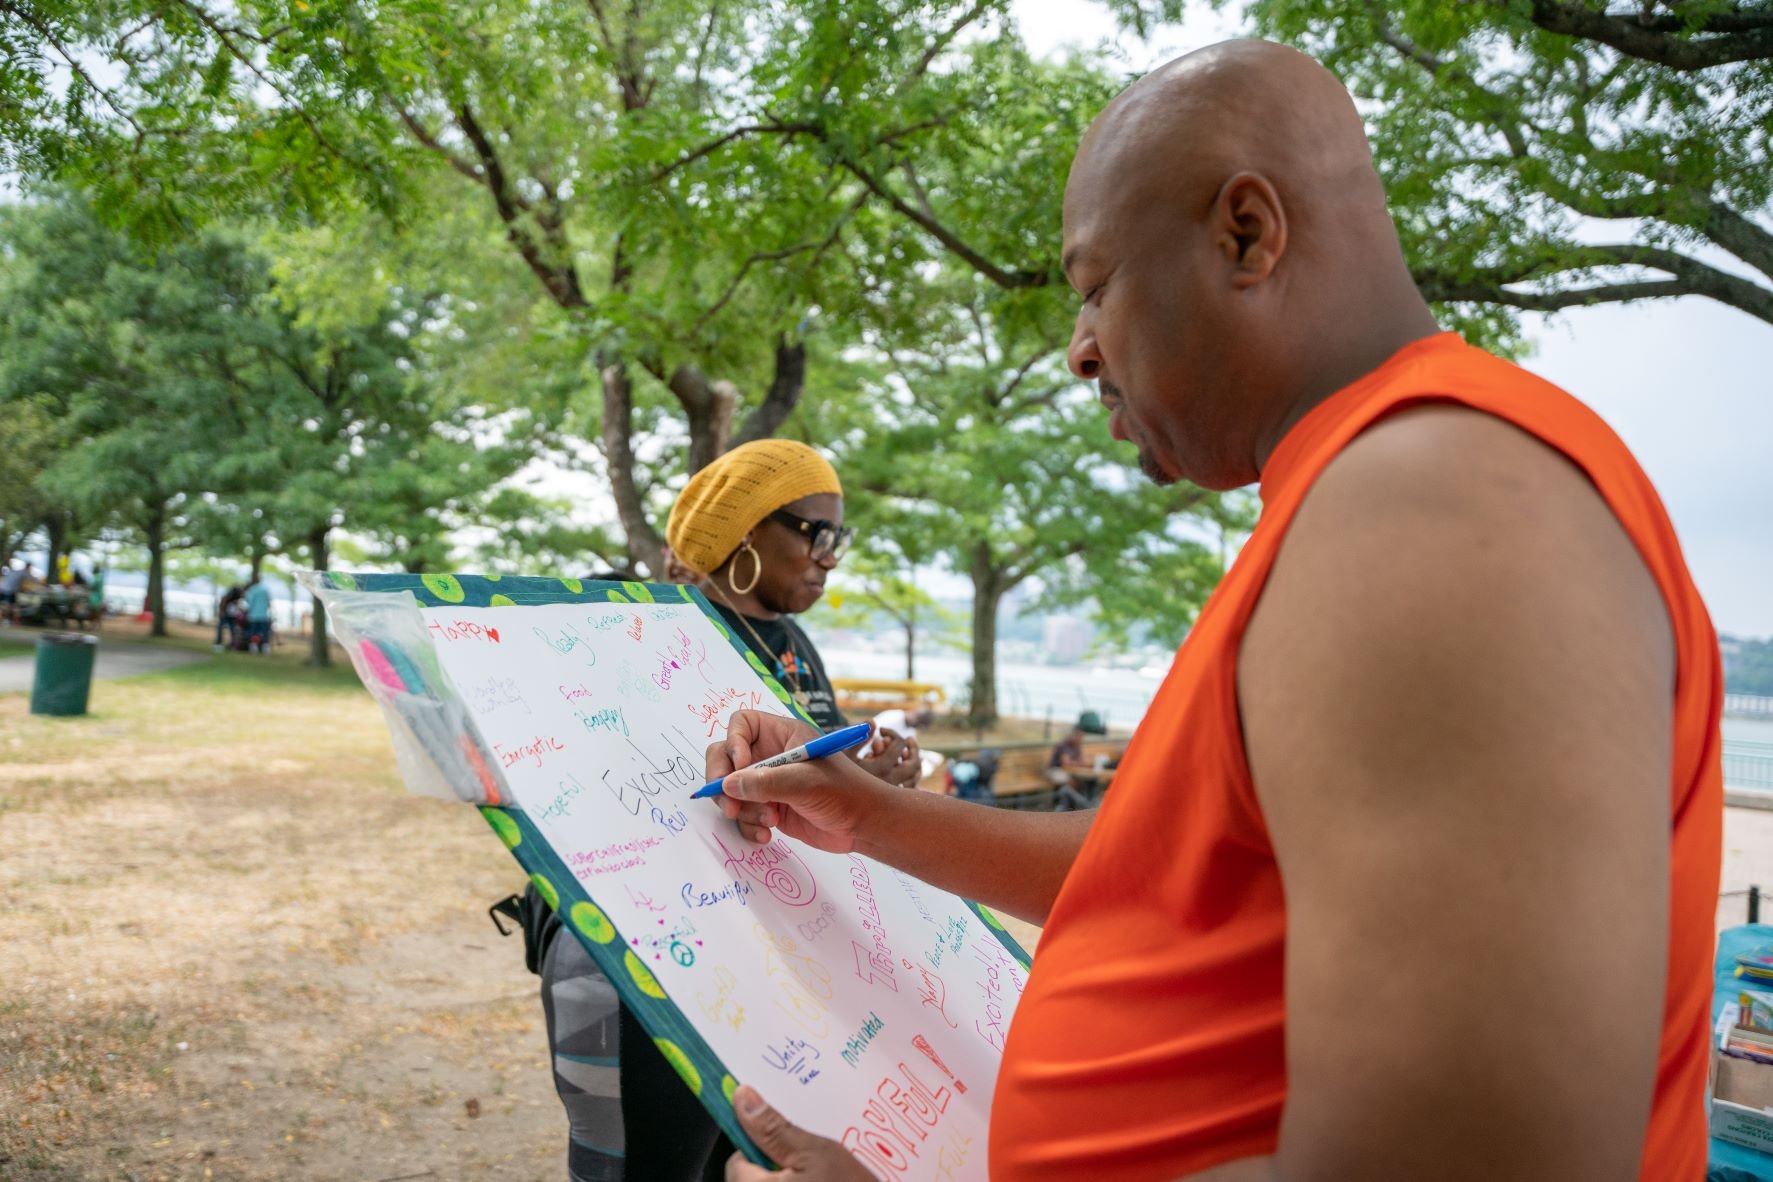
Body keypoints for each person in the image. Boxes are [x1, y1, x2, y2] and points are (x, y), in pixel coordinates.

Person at [705, 40, 1720, 1182]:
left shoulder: (1433, 507)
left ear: (1248, 232)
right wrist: (870, 817)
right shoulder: (1356, 495)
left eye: (1095, 289)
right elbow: (1179, 866)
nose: (1082, 352)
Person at [535, 444, 919, 1182]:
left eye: (840, 539)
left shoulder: (792, 645)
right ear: (744, 529)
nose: (830, 558)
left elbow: (813, 781)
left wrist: (871, 784)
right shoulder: (641, 628)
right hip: (636, 954)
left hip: (759, 951)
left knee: (727, 1158)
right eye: (817, 533)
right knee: (640, 1165)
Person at [1045, 725, 1094, 811]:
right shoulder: (1064, 745)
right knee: (1070, 781)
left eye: (1082, 737)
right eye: (1080, 737)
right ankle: (1066, 805)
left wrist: (1085, 764)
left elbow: (1080, 760)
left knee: (1081, 780)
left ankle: (1071, 805)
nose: (1081, 739)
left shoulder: (1077, 746)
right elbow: (1065, 762)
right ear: (1073, 736)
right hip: (1055, 770)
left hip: (1067, 771)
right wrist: (1081, 764)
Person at [242, 576, 273, 654]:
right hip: (263, 615)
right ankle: (265, 647)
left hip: (254, 615)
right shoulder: (265, 590)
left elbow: (249, 602)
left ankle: (254, 646)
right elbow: (269, 603)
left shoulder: (252, 590)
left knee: (253, 632)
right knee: (264, 632)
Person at [215, 584, 245, 651]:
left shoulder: (238, 596)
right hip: (226, 614)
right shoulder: (230, 595)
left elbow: (237, 605)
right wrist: (222, 612)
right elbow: (223, 602)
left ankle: (232, 645)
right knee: (221, 628)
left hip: (232, 615)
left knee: (233, 630)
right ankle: (218, 644)